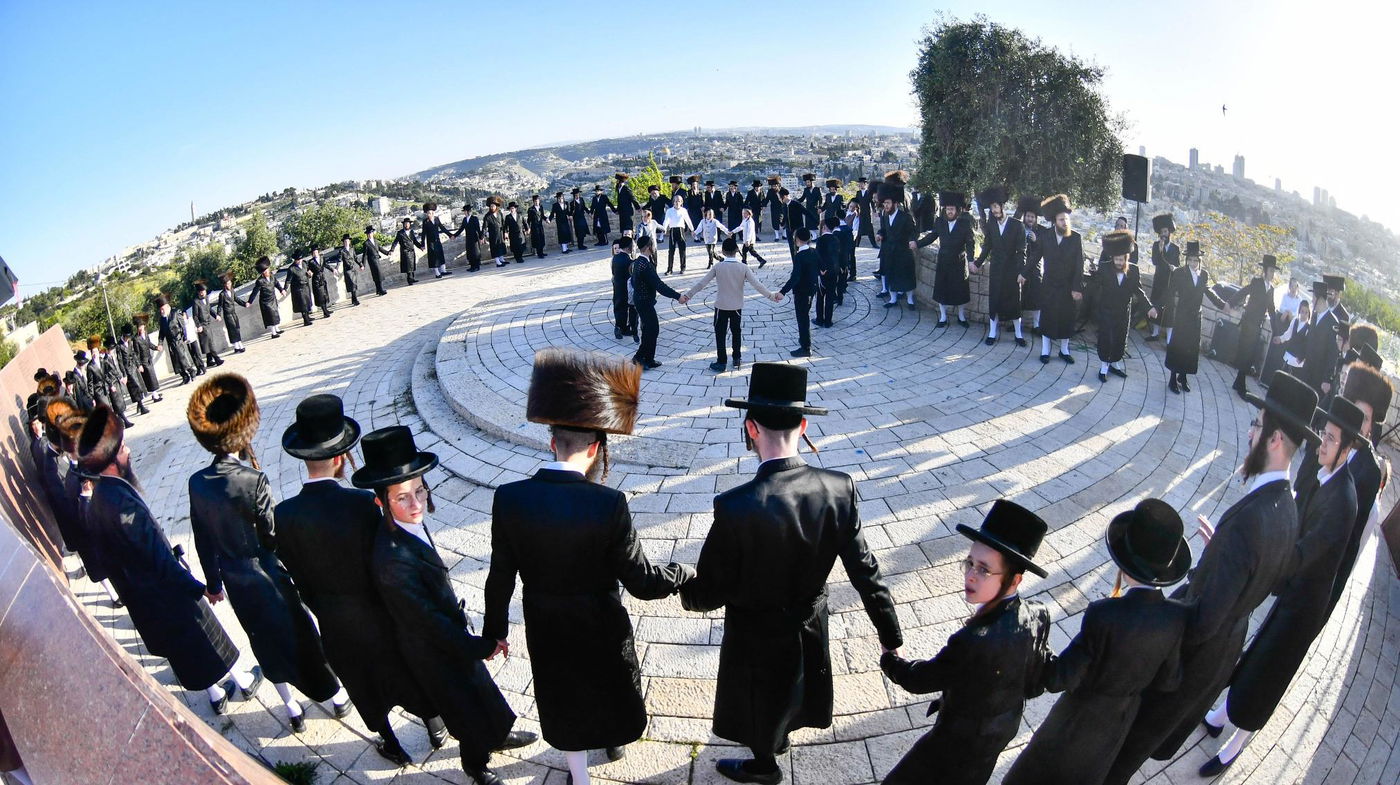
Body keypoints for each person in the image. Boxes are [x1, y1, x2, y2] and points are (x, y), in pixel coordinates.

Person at [681, 363, 901, 784]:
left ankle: (764, 766)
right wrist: (891, 637)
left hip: (754, 632)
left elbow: (707, 593)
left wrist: (681, 586)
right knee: (796, 687)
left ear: (750, 428)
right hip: (809, 623)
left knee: (759, 699)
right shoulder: (840, 488)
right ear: (802, 426)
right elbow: (866, 572)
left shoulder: (735, 505)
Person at [484, 349, 694, 785]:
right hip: (600, 621)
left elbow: (500, 576)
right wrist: (681, 573)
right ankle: (612, 739)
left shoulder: (509, 498)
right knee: (605, 683)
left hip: (545, 621)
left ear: (551, 440)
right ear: (596, 447)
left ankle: (578, 777)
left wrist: (495, 632)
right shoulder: (609, 503)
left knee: (563, 694)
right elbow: (640, 582)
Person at [1103, 372, 1313, 785]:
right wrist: (1222, 554)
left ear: (1274, 440)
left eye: (1257, 425)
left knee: (1119, 756)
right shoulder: (1287, 508)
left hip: (1191, 662)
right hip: (1220, 655)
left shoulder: (1251, 522)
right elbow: (1261, 572)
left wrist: (1148, 605)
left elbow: (1201, 622)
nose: (1250, 433)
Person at [354, 426, 537, 785]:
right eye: (403, 497)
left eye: (420, 490)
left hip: (449, 635)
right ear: (381, 502)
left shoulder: (408, 524)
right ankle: (475, 763)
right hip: (433, 648)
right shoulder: (390, 561)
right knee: (463, 704)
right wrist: (479, 646)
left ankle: (497, 734)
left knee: (479, 689)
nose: (417, 504)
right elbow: (429, 623)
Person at [275, 394, 445, 767]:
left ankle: (390, 743)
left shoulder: (284, 516)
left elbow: (298, 579)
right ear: (341, 457)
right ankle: (435, 726)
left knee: (363, 684)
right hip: (380, 613)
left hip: (335, 621)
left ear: (305, 458)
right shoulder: (363, 504)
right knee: (405, 669)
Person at [1198, 395, 1362, 776]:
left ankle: (1237, 742)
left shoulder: (1344, 501)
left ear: (1349, 447)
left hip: (1304, 606)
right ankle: (1224, 713)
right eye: (1323, 433)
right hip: (1291, 592)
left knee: (1269, 674)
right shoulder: (1323, 474)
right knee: (1255, 657)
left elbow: (1302, 555)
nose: (1323, 442)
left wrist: (1249, 559)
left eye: (1333, 439)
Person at [186, 373, 348, 732]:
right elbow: (273, 536)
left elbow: (202, 539)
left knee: (261, 641)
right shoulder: (253, 480)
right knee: (301, 633)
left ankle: (292, 709)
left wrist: (213, 585)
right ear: (242, 431)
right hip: (268, 573)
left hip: (235, 579)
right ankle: (334, 697)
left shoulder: (196, 482)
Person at [76, 404, 253, 715]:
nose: (128, 450)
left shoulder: (100, 500)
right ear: (113, 460)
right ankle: (242, 683)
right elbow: (159, 560)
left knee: (188, 649)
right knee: (206, 638)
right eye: (123, 447)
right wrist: (201, 588)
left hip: (147, 600)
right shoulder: (123, 506)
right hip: (167, 591)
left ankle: (216, 697)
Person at [1002, 499, 1190, 785]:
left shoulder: (1104, 614)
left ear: (1124, 563)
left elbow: (1058, 678)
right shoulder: (1176, 617)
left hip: (1074, 724)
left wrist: (1036, 643)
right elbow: (1169, 681)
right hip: (1117, 726)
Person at [881, 500, 1052, 785]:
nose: (971, 575)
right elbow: (1037, 678)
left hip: (955, 745)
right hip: (996, 736)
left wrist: (890, 659)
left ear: (1015, 580)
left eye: (985, 569)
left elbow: (920, 679)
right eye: (970, 563)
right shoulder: (1039, 613)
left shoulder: (972, 641)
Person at [1329, 361, 1390, 614]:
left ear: (1371, 424)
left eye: (1364, 418)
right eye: (1354, 411)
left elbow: (1352, 542)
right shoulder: (1330, 439)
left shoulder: (1370, 472)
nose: (1357, 422)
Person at [681, 236, 780, 371]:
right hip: (737, 306)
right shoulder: (743, 267)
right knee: (736, 332)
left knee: (720, 334)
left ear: (722, 251)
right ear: (736, 250)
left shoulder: (718, 266)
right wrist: (771, 296)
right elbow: (757, 285)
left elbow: (702, 283)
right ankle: (737, 358)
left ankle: (721, 362)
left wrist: (688, 295)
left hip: (721, 306)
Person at [1161, 241, 1226, 393]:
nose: (1193, 263)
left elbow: (1208, 291)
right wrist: (1160, 307)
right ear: (1186, 260)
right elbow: (1170, 292)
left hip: (1196, 317)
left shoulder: (1203, 275)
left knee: (1190, 349)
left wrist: (1222, 305)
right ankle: (1172, 378)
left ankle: (1182, 377)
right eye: (1190, 259)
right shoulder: (1179, 273)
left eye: (1195, 260)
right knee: (1178, 347)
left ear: (1199, 261)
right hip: (1182, 317)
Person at [1093, 229, 1158, 383]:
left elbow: (1139, 291)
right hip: (1107, 310)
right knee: (1106, 339)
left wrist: (1150, 307)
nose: (1119, 263)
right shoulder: (1104, 267)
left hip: (1123, 312)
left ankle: (1115, 364)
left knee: (1120, 339)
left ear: (1126, 258)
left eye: (1122, 260)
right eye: (1116, 260)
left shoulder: (1133, 270)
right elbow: (1095, 287)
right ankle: (1103, 367)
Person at [973, 187, 1026, 346]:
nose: (994, 210)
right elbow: (987, 247)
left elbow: (1021, 251)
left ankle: (1018, 335)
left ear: (1002, 206)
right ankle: (992, 332)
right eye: (991, 208)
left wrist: (1021, 272)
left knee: (1014, 303)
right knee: (994, 302)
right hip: (996, 270)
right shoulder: (991, 225)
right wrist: (977, 263)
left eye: (996, 207)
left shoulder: (1017, 226)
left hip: (1012, 271)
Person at [1036, 194, 1084, 364]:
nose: (1065, 222)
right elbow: (1035, 257)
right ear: (1054, 221)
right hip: (1049, 285)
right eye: (1061, 219)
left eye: (1066, 219)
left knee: (1066, 319)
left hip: (1067, 287)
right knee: (1048, 317)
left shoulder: (1076, 238)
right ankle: (1045, 350)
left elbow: (1080, 265)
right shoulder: (1045, 236)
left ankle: (1064, 350)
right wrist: (1023, 274)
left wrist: (1077, 287)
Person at [1227, 254, 1280, 398]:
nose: (1272, 274)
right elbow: (1244, 291)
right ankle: (1241, 385)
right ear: (1264, 271)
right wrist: (1230, 302)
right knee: (1245, 354)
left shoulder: (1271, 289)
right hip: (1248, 323)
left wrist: (1276, 331)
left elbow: (1272, 309)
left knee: (1250, 356)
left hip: (1257, 326)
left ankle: (1238, 382)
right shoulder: (1257, 282)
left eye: (1273, 271)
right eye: (1270, 271)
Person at [925, 192, 976, 327]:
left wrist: (971, 261)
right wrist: (917, 244)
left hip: (959, 262)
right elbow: (931, 237)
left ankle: (961, 317)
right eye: (947, 209)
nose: (949, 212)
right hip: (943, 261)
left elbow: (970, 243)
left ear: (957, 211)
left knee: (960, 291)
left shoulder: (965, 224)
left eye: (952, 209)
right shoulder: (940, 222)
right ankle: (943, 317)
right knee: (942, 290)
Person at [630, 235, 681, 369]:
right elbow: (659, 285)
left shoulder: (639, 262)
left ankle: (644, 358)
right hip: (644, 301)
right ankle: (643, 359)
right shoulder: (645, 265)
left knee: (649, 329)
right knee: (652, 329)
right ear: (648, 247)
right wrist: (677, 296)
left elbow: (634, 282)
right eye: (652, 244)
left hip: (641, 299)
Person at [1301, 274, 1348, 397]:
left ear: (1320, 299)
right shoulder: (1315, 315)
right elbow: (1309, 338)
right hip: (1307, 369)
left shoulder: (1334, 322)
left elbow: (1333, 352)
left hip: (1318, 374)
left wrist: (1327, 379)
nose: (1311, 300)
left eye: (1313, 297)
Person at [876, 172, 917, 310]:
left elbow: (912, 232)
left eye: (888, 203)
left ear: (895, 203)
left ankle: (910, 300)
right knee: (891, 275)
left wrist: (912, 241)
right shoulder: (885, 217)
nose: (885, 206)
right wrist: (880, 234)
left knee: (906, 277)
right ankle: (893, 299)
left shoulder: (905, 217)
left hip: (903, 251)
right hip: (890, 251)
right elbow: (883, 230)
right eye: (884, 203)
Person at [780, 228, 819, 358]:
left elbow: (795, 277)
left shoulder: (799, 256)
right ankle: (803, 340)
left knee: (802, 318)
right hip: (811, 289)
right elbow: (822, 267)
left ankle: (806, 347)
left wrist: (783, 292)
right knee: (805, 315)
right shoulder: (814, 251)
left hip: (802, 291)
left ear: (797, 239)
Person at [1145, 214, 1179, 341]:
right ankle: (1155, 333)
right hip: (1159, 280)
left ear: (1169, 232)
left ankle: (1169, 339)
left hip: (1170, 282)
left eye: (1165, 231)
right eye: (1161, 232)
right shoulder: (1155, 245)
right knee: (1155, 305)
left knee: (1169, 311)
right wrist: (1159, 250)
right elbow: (1154, 261)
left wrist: (1174, 268)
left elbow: (1178, 265)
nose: (1163, 234)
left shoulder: (1176, 248)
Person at [1016, 195, 1045, 333]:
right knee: (1018, 298)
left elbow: (1045, 248)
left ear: (1036, 218)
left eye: (1032, 217)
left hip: (1035, 270)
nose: (1030, 219)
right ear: (1025, 216)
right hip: (1020, 268)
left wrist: (1036, 240)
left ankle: (1036, 326)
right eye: (1028, 216)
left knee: (1036, 299)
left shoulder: (1041, 231)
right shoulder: (1018, 228)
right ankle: (1016, 324)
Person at [156, 295, 198, 381]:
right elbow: (161, 333)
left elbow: (183, 326)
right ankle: (184, 376)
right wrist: (160, 343)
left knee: (182, 357)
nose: (162, 311)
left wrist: (184, 337)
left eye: (163, 309)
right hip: (170, 342)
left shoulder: (175, 313)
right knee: (176, 361)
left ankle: (191, 371)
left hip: (178, 339)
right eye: (160, 310)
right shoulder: (162, 319)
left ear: (167, 307)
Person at [115, 327, 151, 415]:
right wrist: (124, 374)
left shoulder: (130, 342)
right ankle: (141, 407)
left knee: (139, 386)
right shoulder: (119, 346)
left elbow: (133, 354)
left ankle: (140, 405)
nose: (128, 338)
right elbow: (120, 361)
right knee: (135, 387)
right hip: (127, 369)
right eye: (126, 337)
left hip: (133, 367)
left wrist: (139, 365)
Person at [814, 217, 841, 328]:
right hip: (834, 271)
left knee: (820, 297)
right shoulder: (836, 239)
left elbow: (818, 256)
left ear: (824, 227)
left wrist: (819, 269)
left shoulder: (820, 240)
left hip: (823, 271)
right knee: (830, 297)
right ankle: (828, 321)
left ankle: (820, 319)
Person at [248, 258, 284, 338]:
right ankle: (273, 333)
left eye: (267, 270)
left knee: (275, 314)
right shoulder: (260, 281)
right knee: (270, 316)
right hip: (266, 302)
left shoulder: (272, 276)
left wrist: (281, 290)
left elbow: (277, 283)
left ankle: (277, 329)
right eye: (265, 271)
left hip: (273, 298)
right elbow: (255, 292)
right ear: (263, 273)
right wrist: (250, 301)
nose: (267, 272)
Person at [191, 282, 225, 368]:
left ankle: (209, 360)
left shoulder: (206, 298)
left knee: (207, 342)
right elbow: (195, 315)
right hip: (202, 324)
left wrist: (216, 316)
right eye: (201, 291)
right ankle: (217, 359)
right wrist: (198, 326)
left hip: (208, 323)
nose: (203, 293)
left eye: (204, 291)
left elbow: (209, 309)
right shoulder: (196, 301)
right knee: (210, 342)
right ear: (198, 292)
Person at [131, 314, 164, 399]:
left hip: (149, 358)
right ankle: (155, 395)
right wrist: (139, 365)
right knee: (150, 378)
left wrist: (156, 347)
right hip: (143, 361)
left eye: (142, 326)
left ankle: (155, 393)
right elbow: (136, 353)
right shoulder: (136, 339)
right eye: (139, 326)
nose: (141, 328)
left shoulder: (145, 334)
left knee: (153, 377)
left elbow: (149, 344)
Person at [611, 236, 636, 340]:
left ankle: (618, 326)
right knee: (625, 308)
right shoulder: (628, 260)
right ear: (628, 247)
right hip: (625, 288)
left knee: (618, 307)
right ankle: (622, 328)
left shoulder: (615, 258)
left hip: (617, 286)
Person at [215, 272, 248, 352]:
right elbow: (220, 306)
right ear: (224, 285)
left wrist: (244, 304)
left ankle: (236, 348)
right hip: (228, 315)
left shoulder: (232, 291)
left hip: (234, 313)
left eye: (230, 283)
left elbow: (237, 299)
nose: (229, 285)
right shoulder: (222, 294)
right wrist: (218, 315)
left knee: (237, 328)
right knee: (233, 330)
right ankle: (239, 345)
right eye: (227, 284)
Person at [385, 217, 424, 284]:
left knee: (412, 265)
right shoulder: (400, 233)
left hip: (412, 251)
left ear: (409, 224)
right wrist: (392, 250)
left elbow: (414, 241)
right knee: (408, 266)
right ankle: (409, 280)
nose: (406, 225)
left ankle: (412, 278)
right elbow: (395, 242)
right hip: (405, 251)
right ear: (403, 224)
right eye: (405, 224)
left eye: (408, 224)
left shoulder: (411, 232)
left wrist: (420, 247)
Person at [663, 193, 694, 274]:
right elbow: (666, 220)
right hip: (673, 230)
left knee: (682, 250)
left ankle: (683, 268)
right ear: (673, 202)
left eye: (679, 201)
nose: (677, 202)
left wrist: (692, 229)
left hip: (681, 230)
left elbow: (688, 220)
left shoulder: (684, 211)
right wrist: (664, 228)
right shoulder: (669, 211)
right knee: (671, 250)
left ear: (681, 202)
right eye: (676, 201)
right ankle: (669, 269)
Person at [421, 202, 454, 278]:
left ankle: (443, 270)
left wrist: (450, 235)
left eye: (432, 212)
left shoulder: (436, 219)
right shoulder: (425, 222)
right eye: (429, 213)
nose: (431, 214)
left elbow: (442, 228)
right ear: (427, 213)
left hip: (437, 240)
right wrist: (422, 244)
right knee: (433, 257)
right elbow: (423, 234)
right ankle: (437, 272)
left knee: (440, 255)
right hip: (430, 242)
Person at [283, 254, 315, 324]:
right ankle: (306, 320)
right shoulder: (291, 268)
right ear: (295, 260)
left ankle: (308, 316)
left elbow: (308, 271)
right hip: (298, 289)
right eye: (298, 260)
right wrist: (285, 289)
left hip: (306, 286)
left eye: (300, 259)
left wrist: (310, 274)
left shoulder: (304, 263)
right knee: (302, 304)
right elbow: (288, 280)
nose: (299, 261)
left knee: (307, 302)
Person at [454, 204, 485, 271]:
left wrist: (481, 237)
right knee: (470, 252)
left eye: (465, 211)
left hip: (474, 238)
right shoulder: (465, 219)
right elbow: (461, 229)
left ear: (468, 211)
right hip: (468, 238)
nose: (464, 213)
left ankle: (476, 266)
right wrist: (454, 235)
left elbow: (478, 229)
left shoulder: (474, 219)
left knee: (475, 252)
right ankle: (472, 266)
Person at [362, 224, 391, 293]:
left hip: (377, 259)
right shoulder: (366, 243)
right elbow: (365, 255)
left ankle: (378, 290)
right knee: (377, 274)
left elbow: (380, 249)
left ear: (372, 233)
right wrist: (363, 264)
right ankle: (380, 289)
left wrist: (387, 253)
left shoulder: (375, 241)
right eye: (368, 233)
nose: (369, 234)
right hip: (372, 261)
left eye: (371, 233)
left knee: (378, 274)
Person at [306, 248, 333, 318]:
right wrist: (309, 274)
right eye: (313, 252)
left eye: (316, 252)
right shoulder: (310, 262)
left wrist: (333, 269)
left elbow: (326, 265)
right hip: (316, 280)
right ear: (312, 254)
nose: (315, 253)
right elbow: (307, 270)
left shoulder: (322, 258)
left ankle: (326, 309)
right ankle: (324, 312)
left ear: (318, 252)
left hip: (322, 278)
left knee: (324, 295)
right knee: (320, 296)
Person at [336, 235, 363, 306]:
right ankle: (355, 299)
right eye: (345, 241)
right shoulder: (342, 251)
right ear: (343, 242)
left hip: (353, 269)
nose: (346, 242)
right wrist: (336, 268)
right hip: (347, 270)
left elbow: (356, 258)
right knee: (352, 284)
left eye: (347, 241)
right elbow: (339, 260)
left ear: (349, 241)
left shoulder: (352, 249)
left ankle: (353, 299)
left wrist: (361, 264)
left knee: (354, 284)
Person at [852, 176, 878, 248]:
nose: (860, 185)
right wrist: (856, 210)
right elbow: (856, 203)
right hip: (861, 213)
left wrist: (874, 211)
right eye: (859, 184)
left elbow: (872, 203)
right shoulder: (858, 193)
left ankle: (874, 244)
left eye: (861, 184)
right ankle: (856, 244)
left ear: (865, 184)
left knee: (870, 229)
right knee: (859, 230)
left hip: (867, 213)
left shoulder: (869, 192)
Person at [783, 188, 807, 263]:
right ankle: (795, 265)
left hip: (797, 229)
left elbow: (805, 212)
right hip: (789, 229)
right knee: (792, 248)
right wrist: (782, 223)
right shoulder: (784, 205)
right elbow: (785, 216)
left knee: (799, 248)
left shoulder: (795, 204)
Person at [614, 172, 640, 237]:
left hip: (628, 212)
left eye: (617, 180)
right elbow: (620, 202)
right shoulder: (619, 189)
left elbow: (633, 198)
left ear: (619, 181)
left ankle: (632, 241)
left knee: (629, 227)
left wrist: (638, 207)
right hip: (622, 212)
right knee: (623, 228)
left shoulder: (626, 188)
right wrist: (618, 210)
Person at [484, 196, 507, 267]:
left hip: (500, 233)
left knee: (501, 246)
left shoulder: (499, 213)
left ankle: (502, 259)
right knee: (494, 248)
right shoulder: (487, 216)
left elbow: (503, 224)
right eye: (491, 206)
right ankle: (498, 262)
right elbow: (484, 227)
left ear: (496, 206)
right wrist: (483, 236)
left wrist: (505, 232)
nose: (492, 207)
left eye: (493, 206)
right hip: (493, 235)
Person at [527, 194, 548, 259]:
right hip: (534, 227)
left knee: (541, 239)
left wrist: (546, 219)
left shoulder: (541, 207)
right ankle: (539, 253)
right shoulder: (531, 209)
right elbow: (528, 220)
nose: (536, 202)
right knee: (537, 240)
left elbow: (542, 216)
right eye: (535, 201)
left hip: (540, 226)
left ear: (539, 201)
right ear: (533, 202)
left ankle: (541, 252)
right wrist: (528, 228)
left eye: (537, 201)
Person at [765, 176, 786, 241]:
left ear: (778, 185)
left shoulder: (782, 190)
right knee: (775, 222)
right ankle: (777, 236)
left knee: (784, 222)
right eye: (773, 186)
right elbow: (767, 199)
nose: (774, 187)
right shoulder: (770, 191)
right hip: (774, 209)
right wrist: (762, 205)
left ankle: (784, 235)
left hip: (783, 208)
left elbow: (787, 195)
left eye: (775, 186)